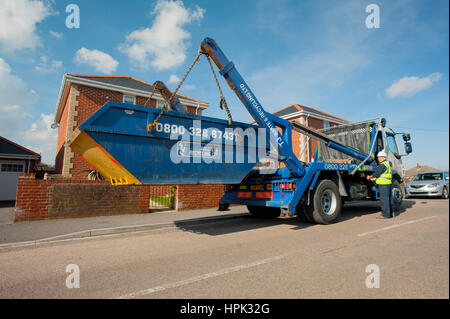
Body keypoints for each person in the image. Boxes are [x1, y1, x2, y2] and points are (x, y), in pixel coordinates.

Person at [367, 149, 393, 219]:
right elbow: (382, 175)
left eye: (380, 157)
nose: (379, 159)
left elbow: (377, 174)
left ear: (384, 157)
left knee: (384, 200)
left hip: (383, 185)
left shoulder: (382, 165)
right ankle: (390, 213)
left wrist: (370, 177)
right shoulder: (387, 164)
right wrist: (375, 179)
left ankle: (385, 215)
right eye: (378, 157)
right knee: (389, 199)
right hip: (388, 184)